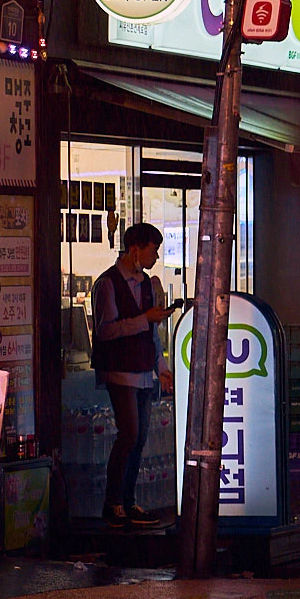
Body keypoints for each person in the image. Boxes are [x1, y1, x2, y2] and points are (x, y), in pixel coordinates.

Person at [91, 223, 172, 528]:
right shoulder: (108, 284)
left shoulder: (148, 284)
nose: (156, 255)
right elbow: (106, 330)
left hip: (143, 373)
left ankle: (127, 501)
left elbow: (153, 335)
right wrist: (143, 319)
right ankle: (113, 504)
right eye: (153, 249)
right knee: (129, 435)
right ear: (135, 249)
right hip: (120, 372)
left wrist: (161, 369)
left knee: (138, 440)